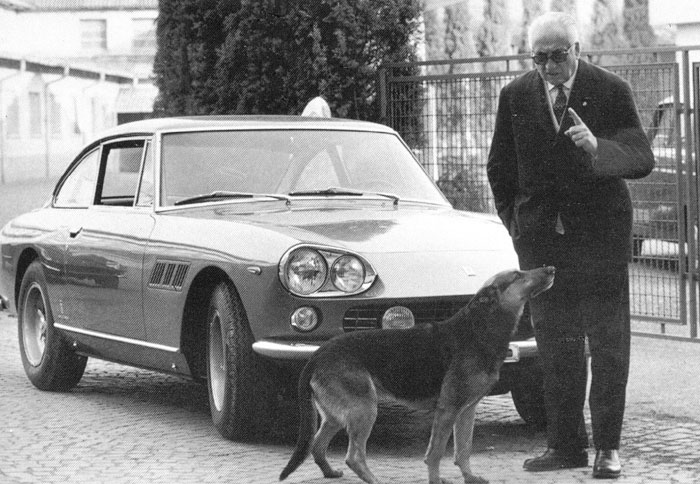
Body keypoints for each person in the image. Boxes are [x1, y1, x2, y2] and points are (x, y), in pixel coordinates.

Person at [487, 11, 654, 479]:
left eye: (556, 56)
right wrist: (515, 222)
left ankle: (607, 449)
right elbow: (500, 167)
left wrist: (598, 147)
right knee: (556, 347)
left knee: (607, 346)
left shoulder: (609, 89)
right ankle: (564, 447)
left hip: (599, 242)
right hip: (543, 245)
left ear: (576, 50)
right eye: (537, 57)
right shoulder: (516, 94)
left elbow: (641, 157)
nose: (546, 66)